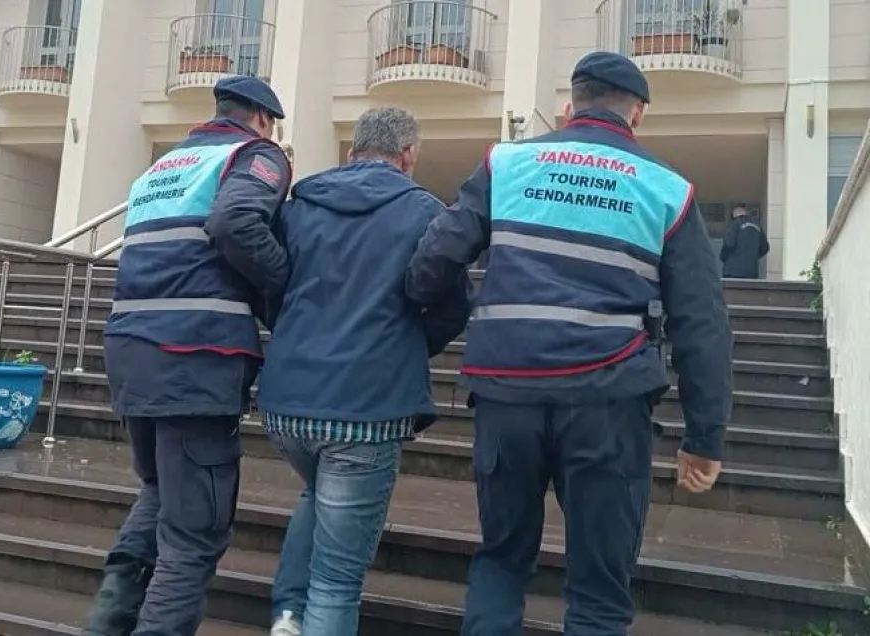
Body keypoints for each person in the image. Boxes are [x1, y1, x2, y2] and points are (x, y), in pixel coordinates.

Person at [405, 51, 734, 635]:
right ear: (638, 114)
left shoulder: (507, 164)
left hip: (507, 394)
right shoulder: (669, 190)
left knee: (501, 562)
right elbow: (701, 323)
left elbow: (435, 257)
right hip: (608, 402)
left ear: (570, 106)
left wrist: (428, 314)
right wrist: (704, 437)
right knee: (599, 590)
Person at [82, 76, 292, 636]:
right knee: (193, 534)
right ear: (262, 119)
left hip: (132, 353)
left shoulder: (163, 167)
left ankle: (106, 624)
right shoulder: (254, 154)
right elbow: (235, 221)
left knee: (158, 492)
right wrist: (287, 293)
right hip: (195, 356)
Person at [257, 107, 472, 636]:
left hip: (287, 402)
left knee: (318, 493)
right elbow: (452, 306)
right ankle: (298, 614)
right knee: (336, 580)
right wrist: (406, 347)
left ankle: (289, 614)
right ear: (408, 156)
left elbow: (271, 284)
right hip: (365, 408)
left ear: (352, 152)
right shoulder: (426, 213)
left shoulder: (299, 205)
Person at [720, 204, 770, 278]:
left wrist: (723, 257)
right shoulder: (757, 225)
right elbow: (765, 247)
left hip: (733, 271)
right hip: (752, 271)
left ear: (734, 215)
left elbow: (729, 244)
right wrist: (753, 256)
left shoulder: (735, 223)